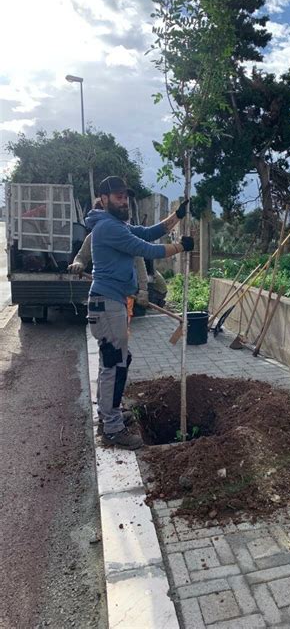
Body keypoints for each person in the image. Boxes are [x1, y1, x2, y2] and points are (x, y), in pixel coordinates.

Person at [83, 176, 192, 450]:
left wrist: (176, 216)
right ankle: (112, 428)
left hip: (113, 302)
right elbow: (146, 249)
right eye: (118, 197)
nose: (124, 201)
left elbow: (147, 233)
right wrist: (181, 246)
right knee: (114, 363)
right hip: (107, 303)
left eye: (125, 196)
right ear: (104, 199)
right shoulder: (107, 227)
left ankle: (110, 412)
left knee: (119, 360)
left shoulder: (116, 224)